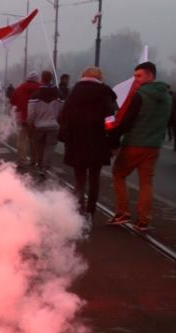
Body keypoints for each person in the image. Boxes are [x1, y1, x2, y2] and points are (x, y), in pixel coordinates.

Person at [106, 61, 174, 231]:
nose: (135, 80)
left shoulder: (140, 95)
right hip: (154, 146)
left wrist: (113, 139)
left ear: (150, 75)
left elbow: (127, 122)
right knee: (146, 183)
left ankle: (122, 212)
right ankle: (143, 220)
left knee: (118, 174)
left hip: (134, 143)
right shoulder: (167, 96)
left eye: (139, 76)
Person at [58, 67, 116, 220]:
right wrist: (113, 140)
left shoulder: (73, 93)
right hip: (98, 141)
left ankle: (79, 208)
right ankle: (91, 210)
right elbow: (110, 119)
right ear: (100, 77)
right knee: (94, 178)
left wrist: (66, 137)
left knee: (79, 177)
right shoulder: (105, 93)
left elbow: (63, 117)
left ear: (83, 76)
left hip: (76, 141)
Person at [26, 71, 64, 179]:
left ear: (41, 79)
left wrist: (30, 123)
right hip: (53, 125)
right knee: (50, 147)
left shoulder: (35, 95)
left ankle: (40, 166)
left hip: (38, 126)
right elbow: (62, 110)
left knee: (39, 148)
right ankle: (45, 168)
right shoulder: (58, 95)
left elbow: (31, 113)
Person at [10, 72, 41, 168]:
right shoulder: (40, 88)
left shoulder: (20, 88)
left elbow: (13, 102)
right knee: (34, 140)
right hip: (36, 118)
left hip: (22, 117)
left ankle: (21, 159)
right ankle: (34, 160)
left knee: (21, 140)